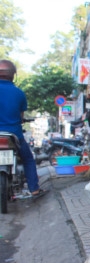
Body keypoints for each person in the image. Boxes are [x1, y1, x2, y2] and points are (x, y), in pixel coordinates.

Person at [0, 59, 46, 197]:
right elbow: (20, 117)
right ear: (13, 74)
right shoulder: (19, 93)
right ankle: (34, 189)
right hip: (14, 135)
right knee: (28, 159)